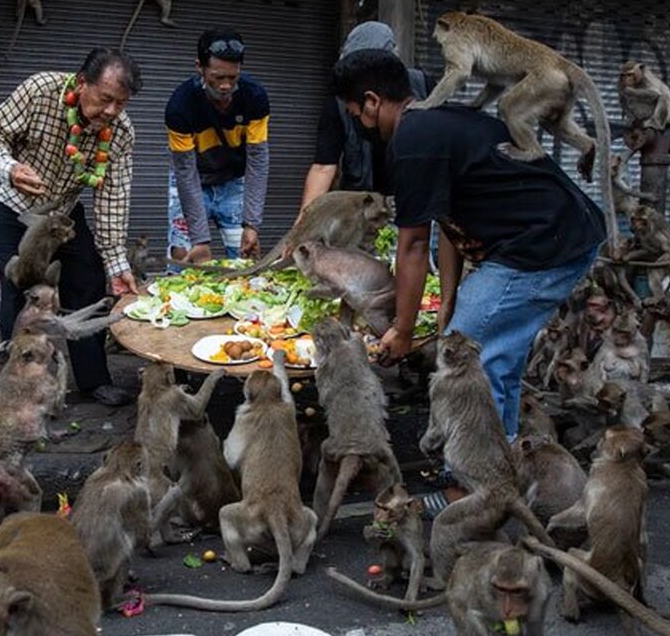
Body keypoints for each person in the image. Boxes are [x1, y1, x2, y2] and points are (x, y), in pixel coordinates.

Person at [334, 49, 605, 442]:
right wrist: (447, 300)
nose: (357, 121)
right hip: (564, 233)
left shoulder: (411, 140)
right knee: (496, 359)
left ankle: (477, 486)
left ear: (372, 102)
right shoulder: (435, 124)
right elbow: (449, 223)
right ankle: (503, 462)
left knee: (464, 359)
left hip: (541, 246)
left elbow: (412, 244)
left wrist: (403, 330)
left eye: (354, 111)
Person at [0, 47, 141, 407]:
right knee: (23, 287)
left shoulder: (121, 133)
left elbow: (113, 198)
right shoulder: (41, 90)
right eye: (105, 99)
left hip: (59, 211)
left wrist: (117, 264)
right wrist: (10, 169)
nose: (111, 112)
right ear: (82, 83)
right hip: (8, 203)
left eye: (121, 104)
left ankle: (94, 379)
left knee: (89, 279)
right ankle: (20, 386)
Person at [297, 22, 433, 216]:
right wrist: (302, 226)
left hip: (413, 200)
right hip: (362, 207)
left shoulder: (420, 85)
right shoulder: (339, 101)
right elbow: (323, 167)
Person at [165, 28, 270, 264]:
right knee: (184, 262)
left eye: (232, 78)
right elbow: (185, 171)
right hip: (193, 181)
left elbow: (258, 161)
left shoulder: (256, 98)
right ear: (199, 67)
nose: (225, 85)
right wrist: (200, 239)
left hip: (233, 182)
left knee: (243, 263)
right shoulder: (179, 107)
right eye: (217, 77)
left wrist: (252, 223)